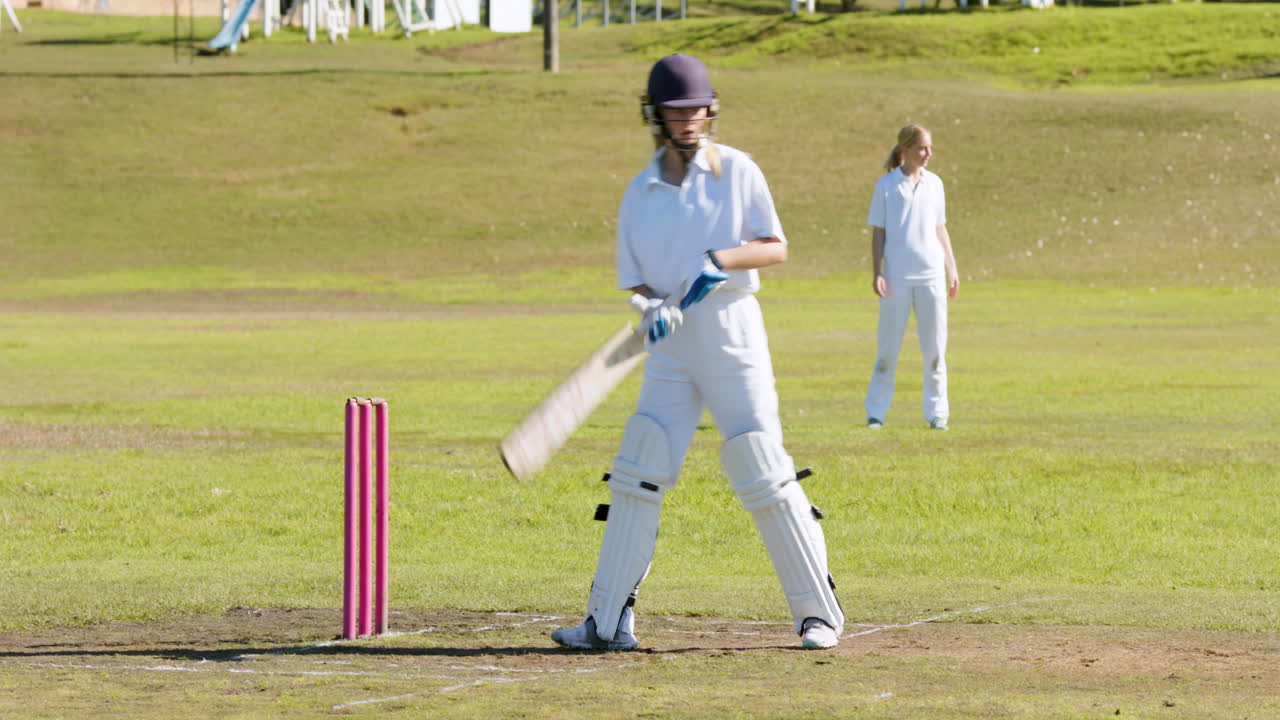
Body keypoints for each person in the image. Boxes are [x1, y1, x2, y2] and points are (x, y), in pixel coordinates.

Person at [551, 54, 845, 652]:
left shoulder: (738, 170)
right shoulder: (641, 193)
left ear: (710, 108)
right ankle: (607, 621)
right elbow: (636, 281)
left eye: (695, 108)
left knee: (760, 463)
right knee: (638, 469)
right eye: (675, 110)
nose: (687, 119)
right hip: (670, 343)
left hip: (733, 330)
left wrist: (720, 260)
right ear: (655, 115)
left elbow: (775, 246)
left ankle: (819, 615)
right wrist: (648, 309)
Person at [864, 123, 959, 431]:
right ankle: (875, 414)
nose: (928, 153)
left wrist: (952, 268)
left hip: (931, 276)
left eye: (930, 148)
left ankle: (937, 414)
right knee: (887, 351)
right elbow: (879, 232)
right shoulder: (887, 186)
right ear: (905, 149)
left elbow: (940, 229)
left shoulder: (935, 184)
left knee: (934, 352)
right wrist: (877, 271)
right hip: (896, 278)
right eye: (922, 148)